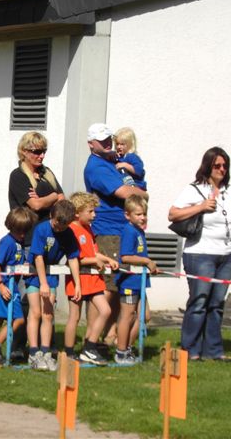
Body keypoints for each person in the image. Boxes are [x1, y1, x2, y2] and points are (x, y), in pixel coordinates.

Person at [169, 147, 231, 361]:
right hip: (200, 254)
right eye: (217, 165)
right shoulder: (194, 189)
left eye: (225, 166)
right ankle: (191, 349)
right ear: (208, 166)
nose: (222, 169)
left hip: (226, 255)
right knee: (199, 301)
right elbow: (173, 214)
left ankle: (213, 350)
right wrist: (201, 207)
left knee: (217, 303)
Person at [83, 123, 149, 347]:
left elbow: (137, 172)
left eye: (108, 139)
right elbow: (123, 192)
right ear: (91, 144)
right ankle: (91, 340)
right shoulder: (96, 167)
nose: (107, 143)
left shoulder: (111, 160)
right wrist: (143, 193)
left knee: (118, 285)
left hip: (124, 230)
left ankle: (109, 337)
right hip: (108, 232)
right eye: (101, 140)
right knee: (106, 287)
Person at [7, 132, 64, 358]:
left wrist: (47, 198)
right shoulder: (18, 176)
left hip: (50, 241)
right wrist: (51, 197)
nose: (41, 156)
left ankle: (46, 345)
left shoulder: (47, 173)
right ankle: (18, 346)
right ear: (24, 152)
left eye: (43, 151)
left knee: (48, 297)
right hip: (28, 241)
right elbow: (35, 205)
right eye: (36, 151)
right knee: (27, 295)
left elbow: (62, 200)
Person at [26, 200, 81, 371]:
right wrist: (43, 283)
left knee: (48, 315)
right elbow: (38, 257)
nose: (59, 229)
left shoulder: (68, 233)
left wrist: (77, 284)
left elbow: (73, 258)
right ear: (52, 216)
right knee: (35, 312)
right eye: (57, 224)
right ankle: (33, 353)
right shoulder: (41, 229)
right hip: (35, 274)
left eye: (64, 226)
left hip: (51, 276)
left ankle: (46, 352)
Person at [0, 207, 37, 367]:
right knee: (14, 320)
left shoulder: (19, 242)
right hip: (3, 287)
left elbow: (16, 263)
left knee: (2, 321)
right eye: (19, 231)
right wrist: (1, 286)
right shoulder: (7, 242)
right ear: (11, 226)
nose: (22, 234)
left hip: (12, 286)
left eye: (25, 231)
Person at [66, 192, 117, 365]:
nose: (94, 215)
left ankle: (89, 348)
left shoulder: (88, 229)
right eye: (90, 211)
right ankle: (69, 352)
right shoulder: (71, 230)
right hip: (77, 280)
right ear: (77, 213)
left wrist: (107, 259)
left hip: (94, 279)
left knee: (105, 310)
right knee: (74, 316)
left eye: (94, 211)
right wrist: (95, 260)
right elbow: (75, 258)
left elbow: (94, 252)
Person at [115, 195, 157, 365]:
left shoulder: (139, 231)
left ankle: (127, 347)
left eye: (144, 214)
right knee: (127, 316)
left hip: (140, 281)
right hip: (129, 282)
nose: (142, 217)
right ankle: (121, 352)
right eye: (138, 214)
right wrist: (146, 261)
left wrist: (149, 266)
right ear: (128, 215)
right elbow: (125, 257)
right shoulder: (129, 231)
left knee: (145, 316)